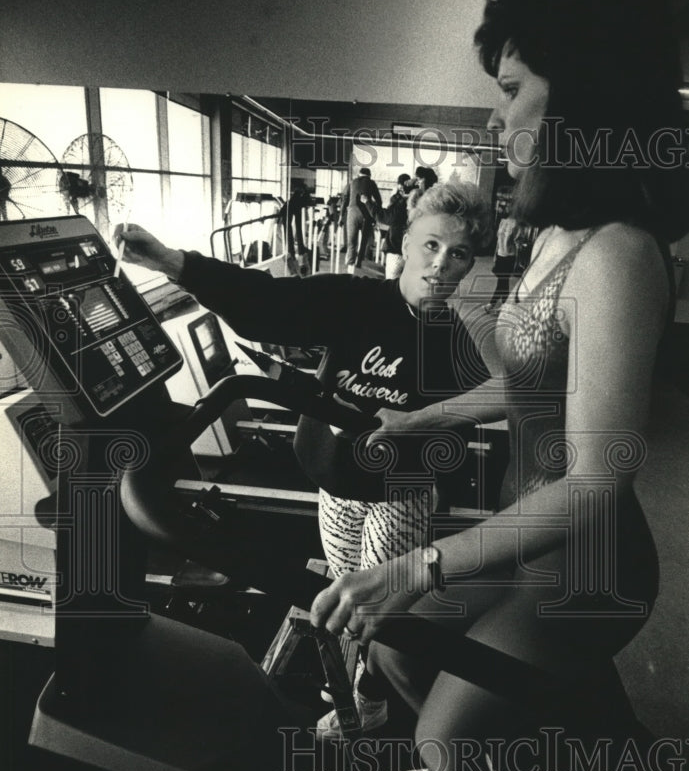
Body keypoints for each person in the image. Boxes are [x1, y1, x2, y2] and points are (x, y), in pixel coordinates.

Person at [307, 0, 689, 771]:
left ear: (583, 98)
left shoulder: (617, 255)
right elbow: (529, 389)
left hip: (589, 569)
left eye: (511, 92)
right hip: (528, 545)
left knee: (437, 724)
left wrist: (420, 559)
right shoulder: (555, 241)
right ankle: (483, 767)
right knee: (394, 643)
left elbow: (598, 475)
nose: (496, 121)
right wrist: (424, 422)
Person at [115, 178, 493, 730]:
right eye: (431, 245)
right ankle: (363, 679)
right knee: (341, 591)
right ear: (406, 241)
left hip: (399, 490)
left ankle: (370, 693)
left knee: (377, 610)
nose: (440, 264)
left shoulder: (466, 336)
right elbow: (271, 305)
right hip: (333, 478)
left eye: (457, 253)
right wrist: (174, 262)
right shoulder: (358, 300)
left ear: (468, 265)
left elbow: (493, 404)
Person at [361, 173, 412, 279]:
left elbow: (384, 217)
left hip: (396, 250)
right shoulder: (417, 200)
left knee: (391, 284)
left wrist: (367, 202)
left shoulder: (402, 203)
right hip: (409, 252)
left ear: (400, 187)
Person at [339, 166, 383, 272]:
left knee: (351, 242)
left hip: (352, 213)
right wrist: (376, 216)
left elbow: (344, 199)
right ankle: (361, 264)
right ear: (369, 175)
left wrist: (341, 216)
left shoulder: (352, 182)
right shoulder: (372, 183)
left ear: (359, 174)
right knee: (365, 241)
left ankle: (350, 267)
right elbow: (379, 201)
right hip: (366, 213)